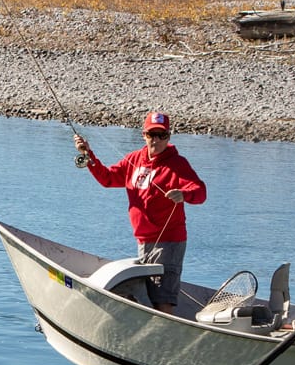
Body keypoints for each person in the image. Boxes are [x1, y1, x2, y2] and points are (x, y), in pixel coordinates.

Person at [73, 111, 207, 312]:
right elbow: (107, 179)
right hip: (143, 242)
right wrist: (88, 155)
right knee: (149, 294)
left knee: (163, 298)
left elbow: (200, 192)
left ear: (168, 137)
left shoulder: (177, 164)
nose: (156, 140)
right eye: (152, 134)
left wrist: (184, 194)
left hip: (169, 242)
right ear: (144, 135)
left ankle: (164, 339)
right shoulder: (134, 159)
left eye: (162, 135)